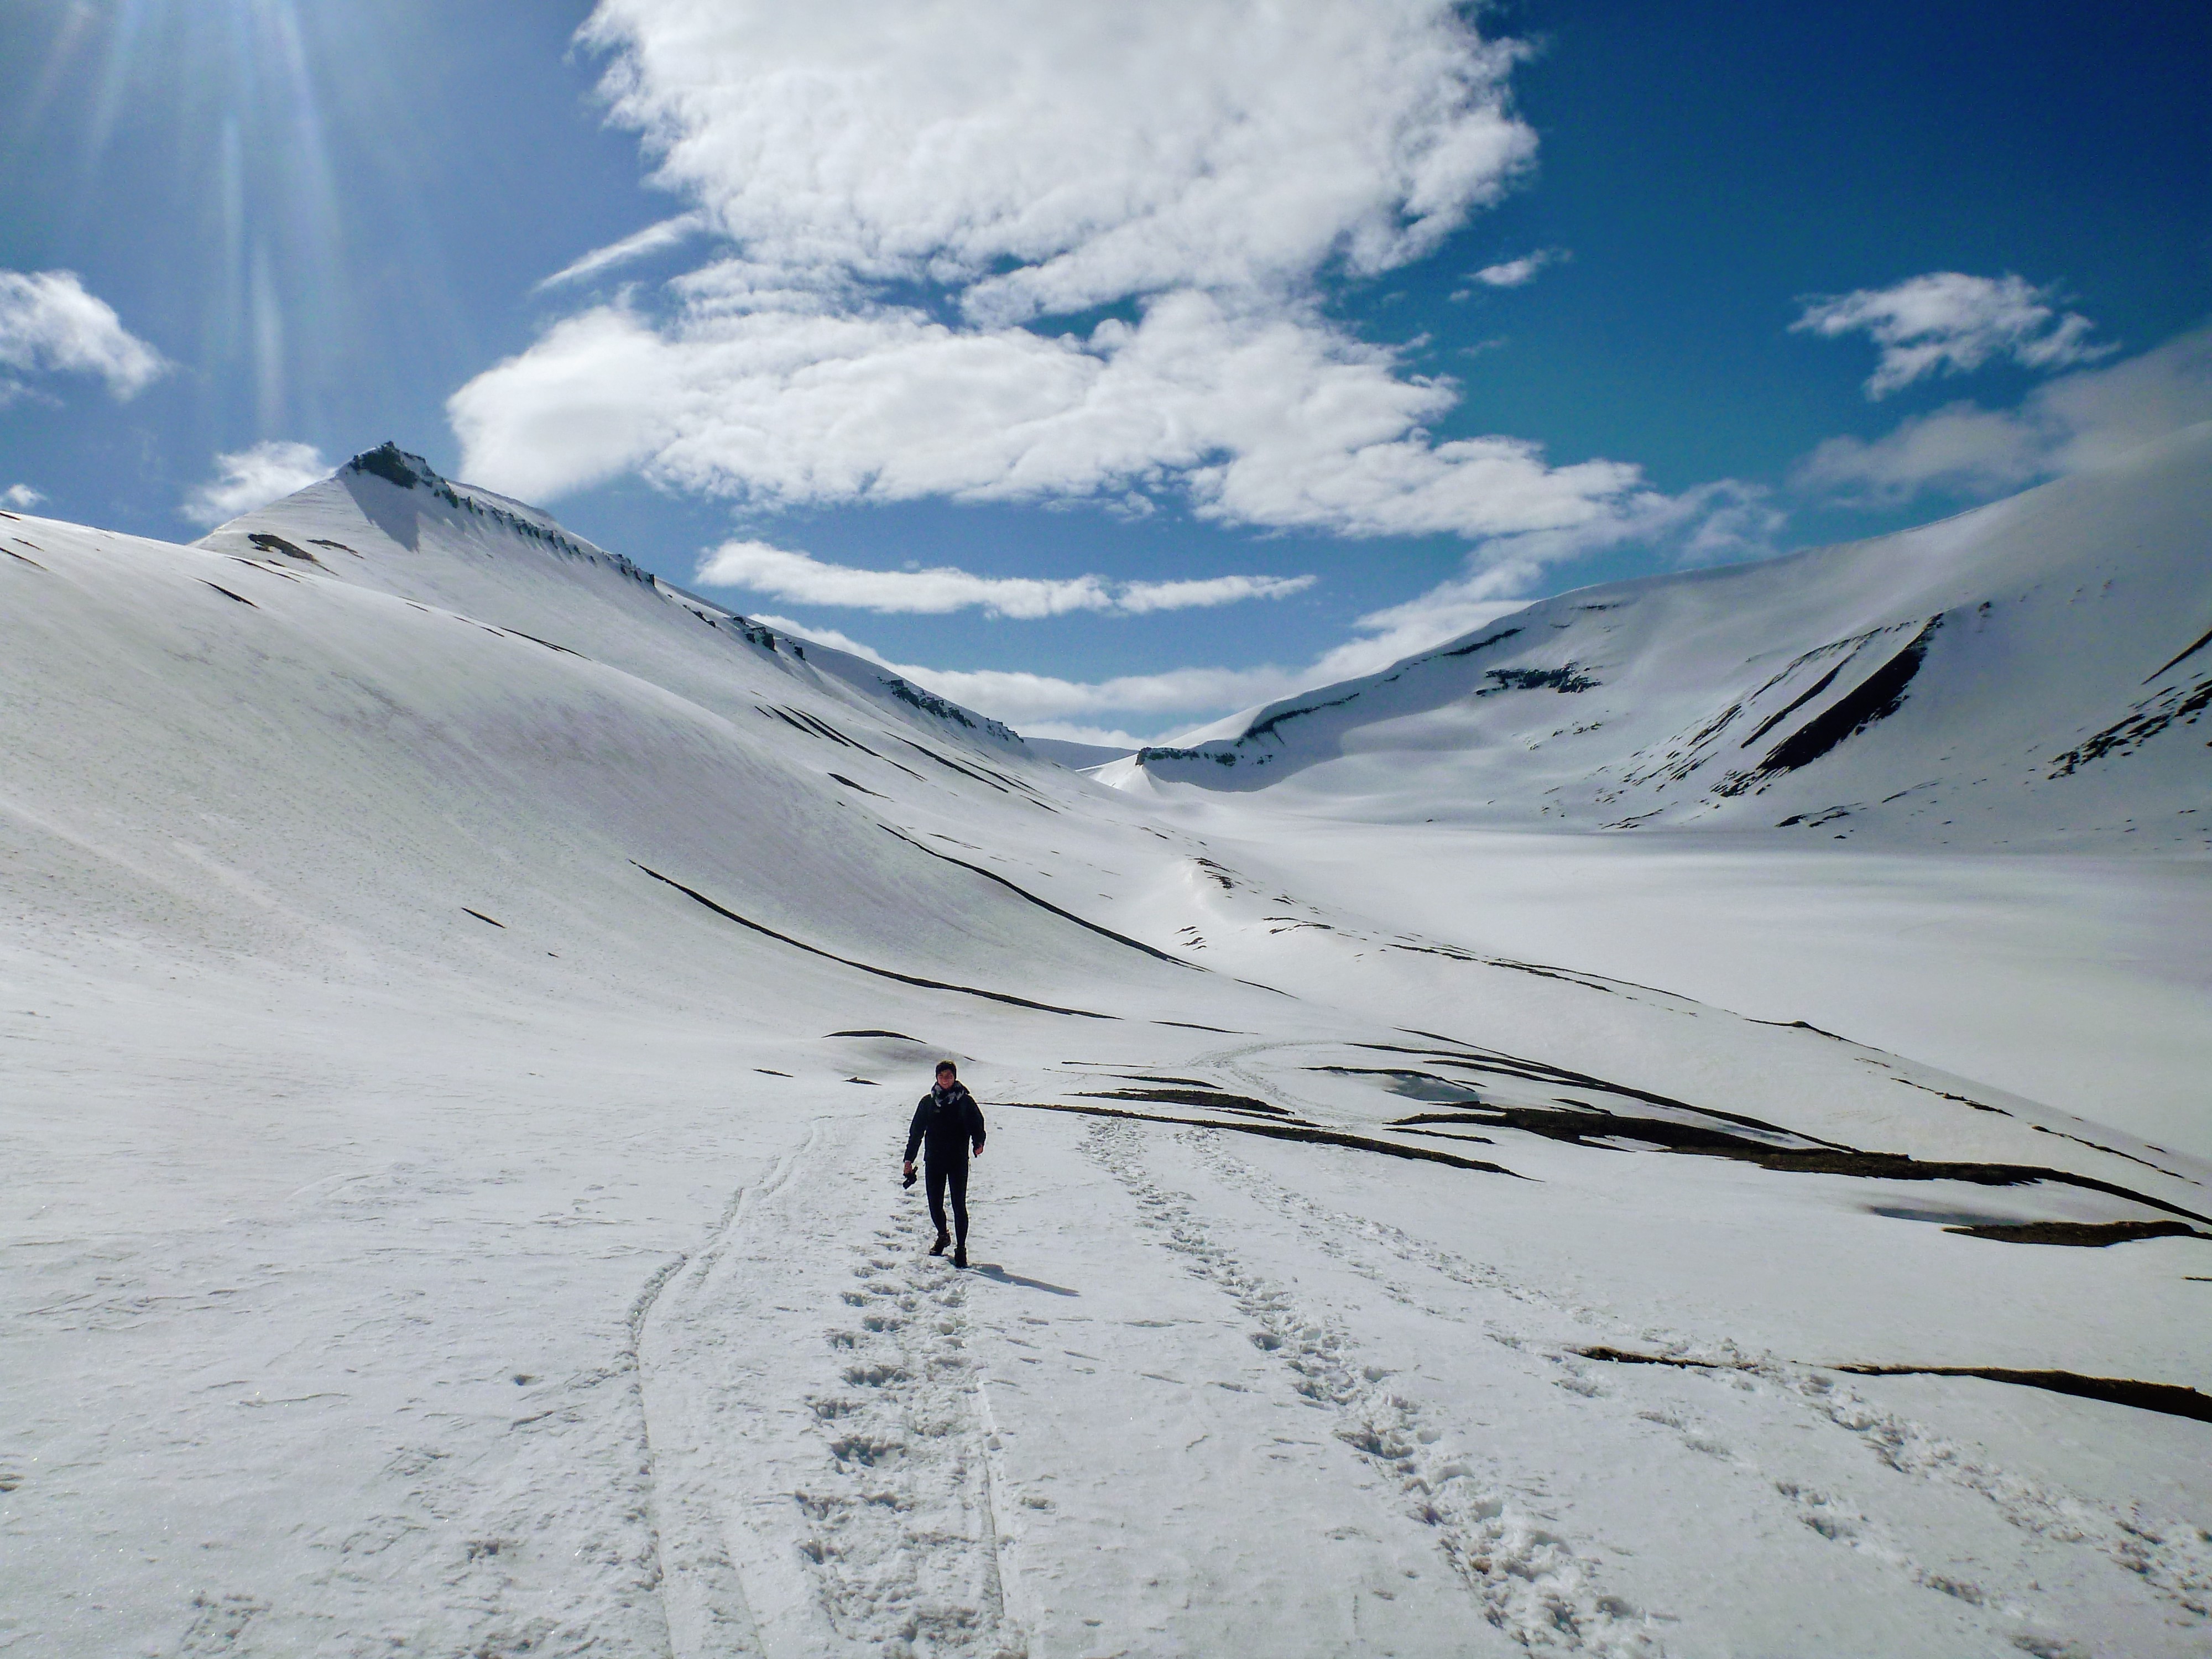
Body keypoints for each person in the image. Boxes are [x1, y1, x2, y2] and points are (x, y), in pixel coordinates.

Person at [904, 1060, 986, 1267]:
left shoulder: (965, 1102)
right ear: (937, 1078)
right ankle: (943, 1235)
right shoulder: (928, 1103)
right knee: (934, 1204)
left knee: (959, 1205)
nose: (946, 1079)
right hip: (934, 1160)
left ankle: (961, 1249)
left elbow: (978, 1125)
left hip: (957, 1160)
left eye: (949, 1076)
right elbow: (916, 1133)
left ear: (955, 1077)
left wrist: (979, 1142)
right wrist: (908, 1159)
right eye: (942, 1076)